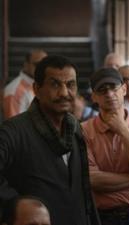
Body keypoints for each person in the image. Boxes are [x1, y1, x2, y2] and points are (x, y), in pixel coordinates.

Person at [0, 55, 100, 225]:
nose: (64, 93)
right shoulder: (13, 131)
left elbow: (83, 190)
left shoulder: (74, 128)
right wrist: (15, 205)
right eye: (55, 84)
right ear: (36, 89)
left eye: (70, 85)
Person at [82, 68, 129, 225]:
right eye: (102, 90)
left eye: (113, 88)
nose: (109, 94)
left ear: (124, 89)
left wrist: (123, 130)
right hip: (100, 216)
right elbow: (93, 180)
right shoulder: (84, 130)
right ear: (94, 97)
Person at [3, 49, 47, 119]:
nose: (42, 68)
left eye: (45, 65)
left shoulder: (42, 85)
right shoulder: (14, 92)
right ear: (26, 64)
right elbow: (14, 127)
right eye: (37, 64)